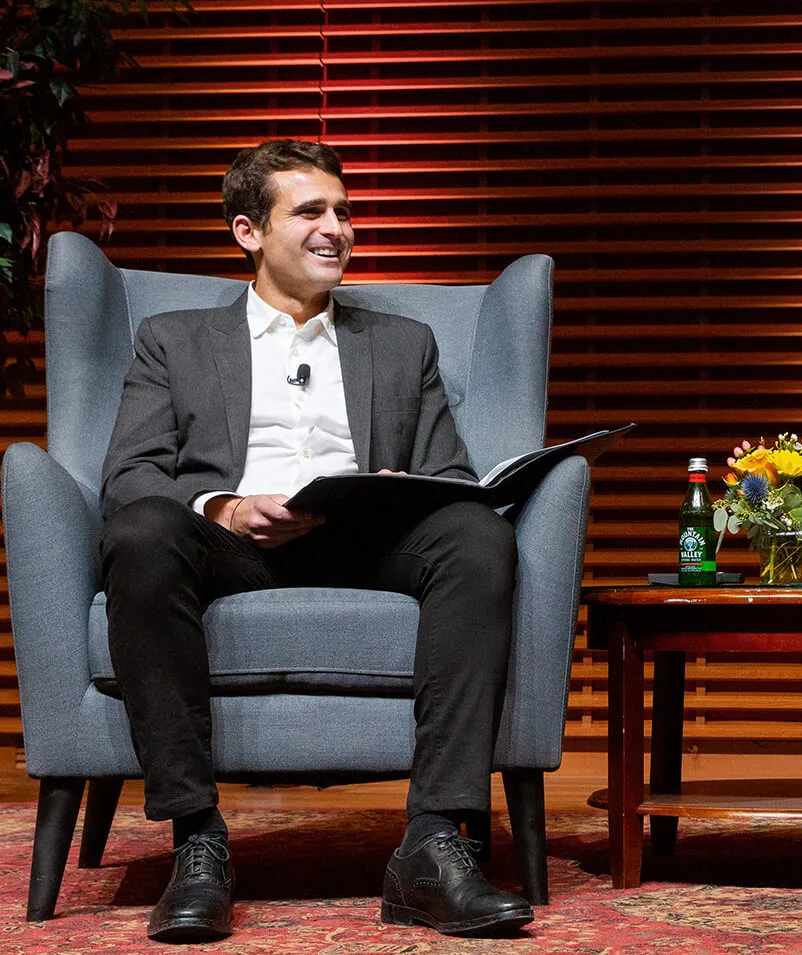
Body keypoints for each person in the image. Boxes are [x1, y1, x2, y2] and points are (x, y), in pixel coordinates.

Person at [99, 139, 533, 943]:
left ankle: (434, 844)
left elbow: (451, 473)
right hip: (228, 548)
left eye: (343, 210)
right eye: (311, 211)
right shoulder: (174, 339)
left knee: (477, 532)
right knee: (140, 528)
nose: (337, 228)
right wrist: (225, 507)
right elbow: (129, 473)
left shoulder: (404, 346)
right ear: (247, 231)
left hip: (365, 545)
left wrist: (395, 489)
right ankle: (198, 841)